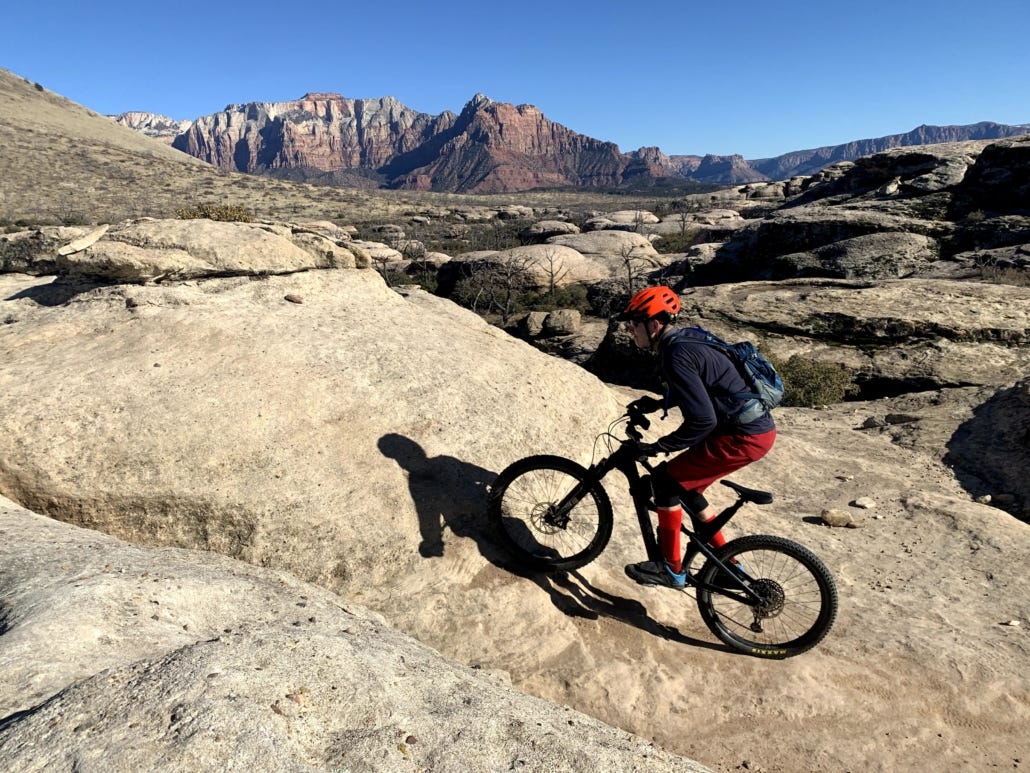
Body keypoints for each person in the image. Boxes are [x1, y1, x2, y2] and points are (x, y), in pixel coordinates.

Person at [617, 285, 776, 588]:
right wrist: (656, 403)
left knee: (664, 482)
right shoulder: (686, 339)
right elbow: (703, 387)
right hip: (751, 431)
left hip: (741, 437)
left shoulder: (676, 352)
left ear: (654, 324)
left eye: (633, 324)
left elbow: (702, 420)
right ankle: (731, 568)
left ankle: (671, 568)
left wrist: (658, 447)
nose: (629, 331)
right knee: (687, 490)